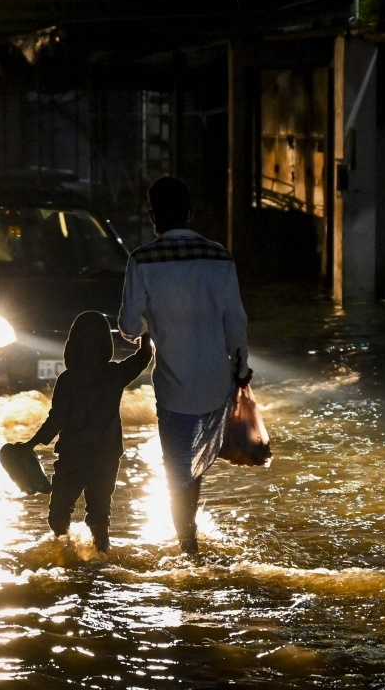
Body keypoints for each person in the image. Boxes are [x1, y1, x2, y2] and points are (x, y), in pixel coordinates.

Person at [118, 175, 251, 558]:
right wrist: (241, 369)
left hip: (173, 387)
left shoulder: (142, 260)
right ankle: (190, 539)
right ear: (191, 213)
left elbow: (129, 326)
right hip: (216, 384)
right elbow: (236, 324)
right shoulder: (220, 258)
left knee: (176, 470)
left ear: (152, 216)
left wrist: (147, 326)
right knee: (194, 469)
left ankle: (187, 548)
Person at [11, 312, 152, 553]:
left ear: (72, 344)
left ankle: (64, 556)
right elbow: (144, 357)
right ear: (106, 344)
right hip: (106, 457)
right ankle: (101, 560)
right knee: (99, 516)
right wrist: (145, 330)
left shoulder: (68, 380)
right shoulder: (114, 374)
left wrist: (30, 444)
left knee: (58, 514)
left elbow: (56, 419)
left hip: (72, 457)